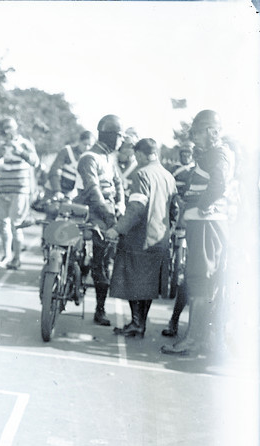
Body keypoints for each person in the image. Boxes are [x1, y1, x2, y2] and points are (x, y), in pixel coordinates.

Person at [161, 109, 234, 356]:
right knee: (202, 281)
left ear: (211, 131)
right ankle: (200, 337)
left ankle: (194, 339)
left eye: (198, 133)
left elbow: (220, 183)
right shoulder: (213, 154)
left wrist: (203, 205)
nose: (194, 139)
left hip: (205, 223)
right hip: (203, 223)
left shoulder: (217, 154)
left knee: (198, 280)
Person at [105, 138, 177, 336]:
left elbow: (137, 207)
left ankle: (136, 323)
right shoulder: (168, 176)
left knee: (133, 281)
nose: (135, 159)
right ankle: (140, 323)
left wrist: (118, 229)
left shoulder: (142, 174)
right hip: (160, 239)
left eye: (137, 155)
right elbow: (174, 210)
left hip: (139, 238)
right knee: (149, 284)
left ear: (144, 154)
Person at [76, 114, 126, 326]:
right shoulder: (90, 157)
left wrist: (121, 203)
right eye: (120, 137)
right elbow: (93, 190)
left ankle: (100, 308)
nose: (122, 141)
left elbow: (118, 183)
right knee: (96, 261)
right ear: (111, 136)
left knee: (103, 262)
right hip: (91, 211)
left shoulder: (108, 158)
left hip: (107, 211)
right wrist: (109, 214)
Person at [0, 116, 39, 269]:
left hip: (20, 189)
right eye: (5, 130)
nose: (7, 133)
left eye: (10, 129)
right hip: (4, 188)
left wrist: (20, 152)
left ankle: (17, 258)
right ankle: (6, 255)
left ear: (15, 129)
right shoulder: (0, 145)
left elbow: (35, 162)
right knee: (3, 223)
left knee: (16, 225)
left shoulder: (25, 143)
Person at [161, 141, 195, 338]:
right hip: (178, 208)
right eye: (183, 153)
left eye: (188, 153)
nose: (186, 156)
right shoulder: (174, 169)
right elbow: (170, 189)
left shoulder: (196, 169)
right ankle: (174, 319)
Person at [47, 130, 95, 199]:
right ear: (79, 141)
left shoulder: (88, 159)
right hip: (53, 190)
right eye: (85, 144)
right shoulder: (66, 151)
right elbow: (54, 171)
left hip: (69, 195)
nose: (87, 148)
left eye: (90, 145)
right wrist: (57, 190)